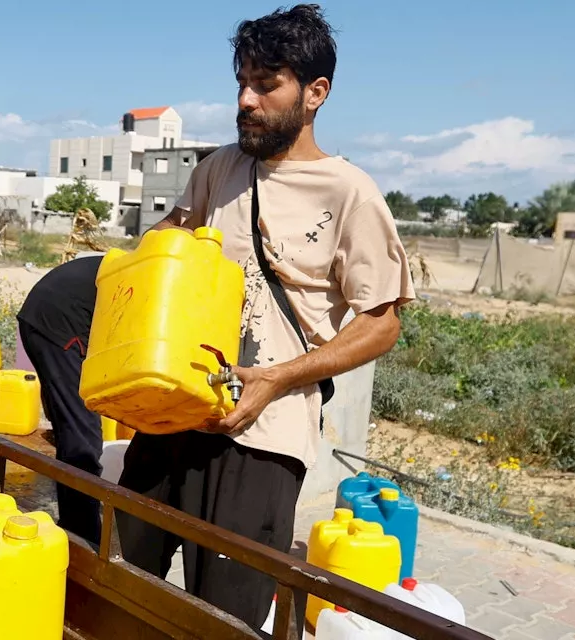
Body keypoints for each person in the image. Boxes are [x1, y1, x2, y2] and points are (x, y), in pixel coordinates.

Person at [115, 4, 416, 630]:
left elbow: (381, 322)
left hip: (262, 439)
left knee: (223, 617)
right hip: (172, 413)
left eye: (266, 83)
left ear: (315, 93)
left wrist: (279, 377)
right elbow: (165, 261)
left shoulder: (349, 193)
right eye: (241, 83)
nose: (246, 100)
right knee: (120, 587)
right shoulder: (218, 170)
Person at [16, 253, 105, 546]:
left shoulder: (153, 270)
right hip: (61, 319)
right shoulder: (163, 283)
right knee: (83, 431)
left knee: (69, 419)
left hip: (41, 312)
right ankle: (82, 533)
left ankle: (76, 513)